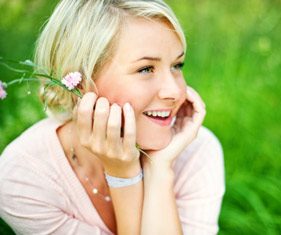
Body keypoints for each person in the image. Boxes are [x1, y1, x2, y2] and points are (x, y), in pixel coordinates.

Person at [0, 0, 225, 234]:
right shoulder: (24, 178)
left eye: (177, 65)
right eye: (146, 69)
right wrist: (123, 175)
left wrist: (159, 169)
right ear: (80, 81)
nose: (175, 91)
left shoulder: (196, 151)